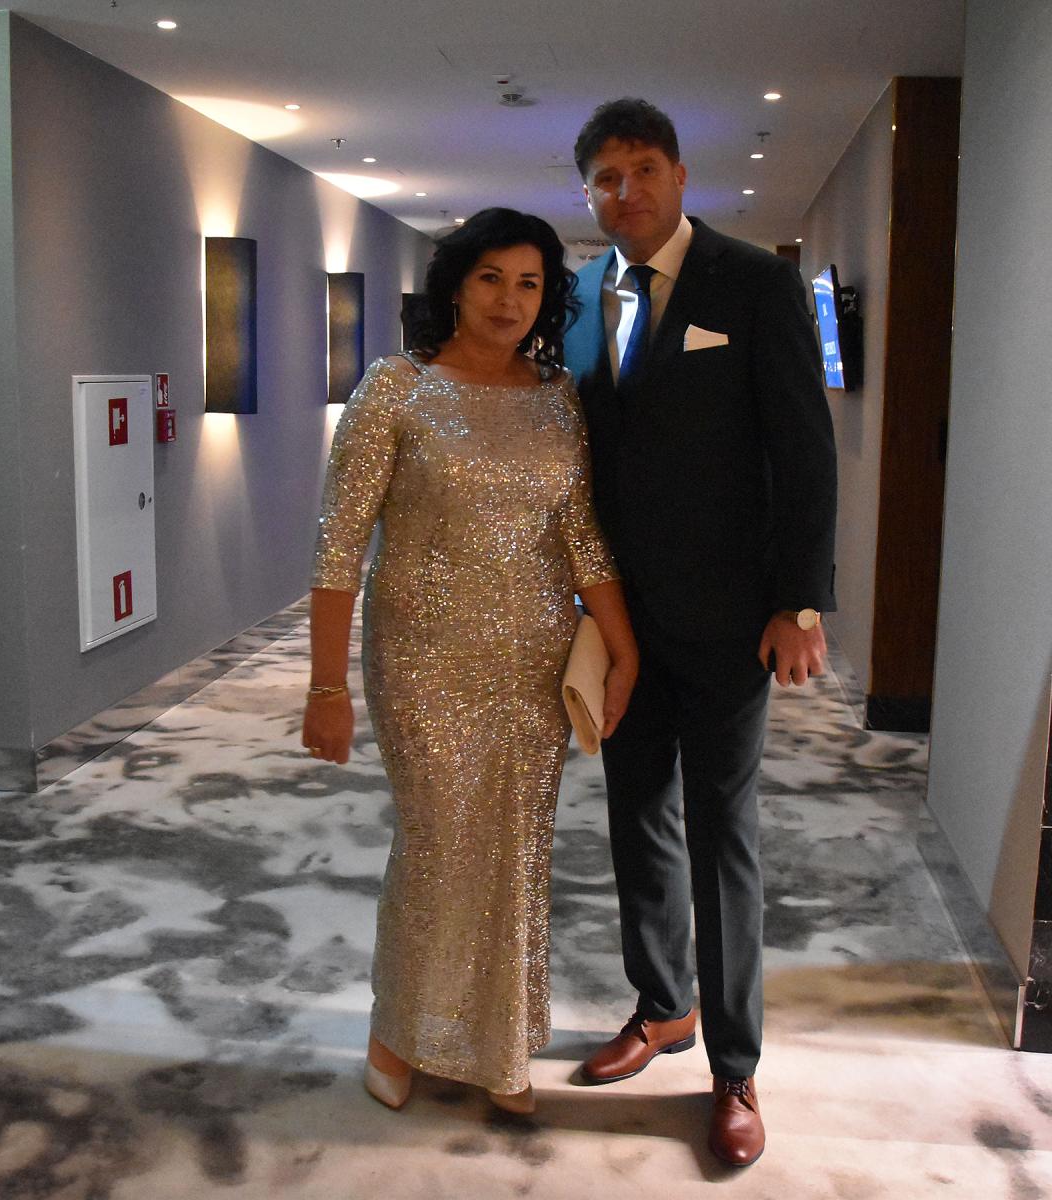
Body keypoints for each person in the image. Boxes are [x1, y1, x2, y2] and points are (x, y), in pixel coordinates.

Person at [303, 208, 639, 1115]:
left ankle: (498, 1048)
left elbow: (581, 536)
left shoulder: (556, 397)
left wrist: (624, 648)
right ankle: (397, 1032)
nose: (508, 300)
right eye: (491, 277)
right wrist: (326, 686)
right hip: (422, 659)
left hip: (534, 660)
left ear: (547, 298)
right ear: (455, 284)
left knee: (515, 853)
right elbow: (339, 547)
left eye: (529, 283)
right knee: (439, 846)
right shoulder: (397, 389)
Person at [562, 99, 837, 1167]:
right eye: (604, 177)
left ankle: (734, 1066)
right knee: (637, 813)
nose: (624, 192)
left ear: (680, 175)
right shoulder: (582, 297)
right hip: (620, 622)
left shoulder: (755, 284)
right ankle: (661, 1004)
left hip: (730, 621)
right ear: (588, 194)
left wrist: (799, 602)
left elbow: (802, 452)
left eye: (641, 169)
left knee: (723, 831)